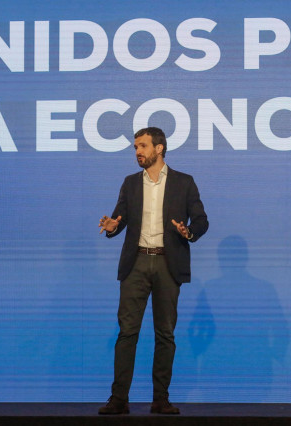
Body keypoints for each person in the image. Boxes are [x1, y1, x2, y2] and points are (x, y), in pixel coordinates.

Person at [98, 127, 208, 415]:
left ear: (159, 148)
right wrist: (112, 227)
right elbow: (119, 219)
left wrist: (189, 231)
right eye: (135, 147)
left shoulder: (184, 182)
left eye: (143, 146)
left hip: (167, 264)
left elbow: (201, 220)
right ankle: (119, 399)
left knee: (165, 334)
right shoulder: (130, 183)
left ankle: (161, 399)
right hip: (135, 264)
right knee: (127, 333)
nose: (138, 151)